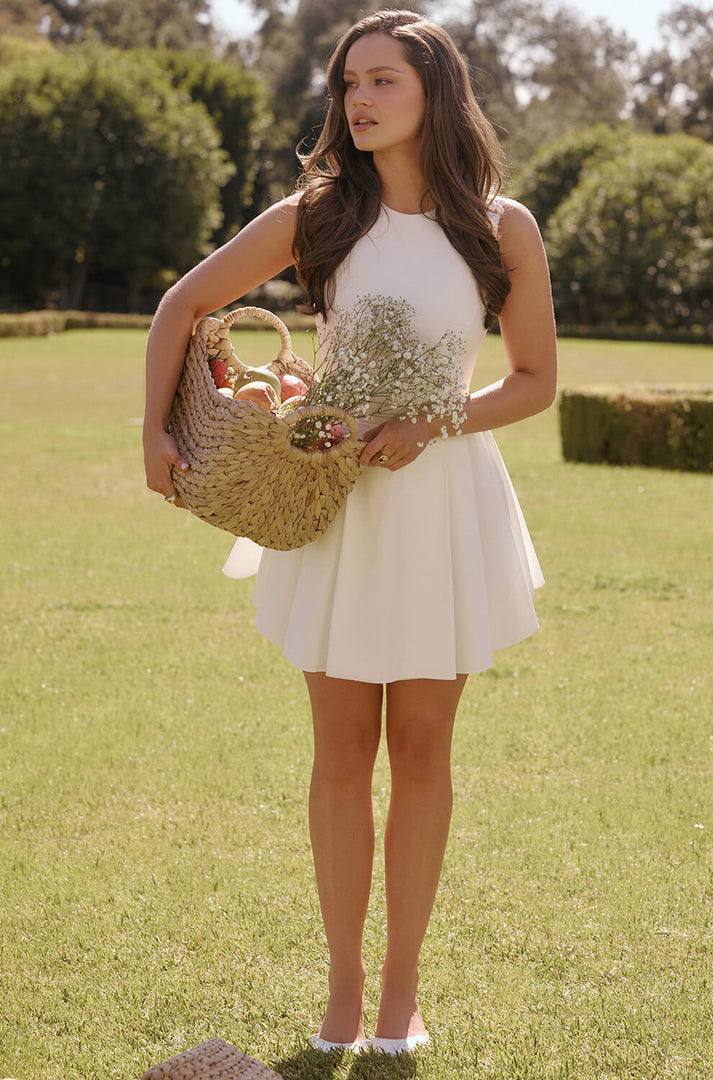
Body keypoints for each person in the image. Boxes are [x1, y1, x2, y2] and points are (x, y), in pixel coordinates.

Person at [143, 8, 557, 1057]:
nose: (358, 101)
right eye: (347, 85)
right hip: (335, 509)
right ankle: (341, 989)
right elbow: (182, 305)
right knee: (340, 753)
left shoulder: (501, 227)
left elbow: (539, 382)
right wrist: (155, 430)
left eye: (381, 82)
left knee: (423, 752)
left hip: (444, 507)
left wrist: (436, 421)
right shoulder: (317, 214)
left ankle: (401, 997)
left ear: (435, 94)